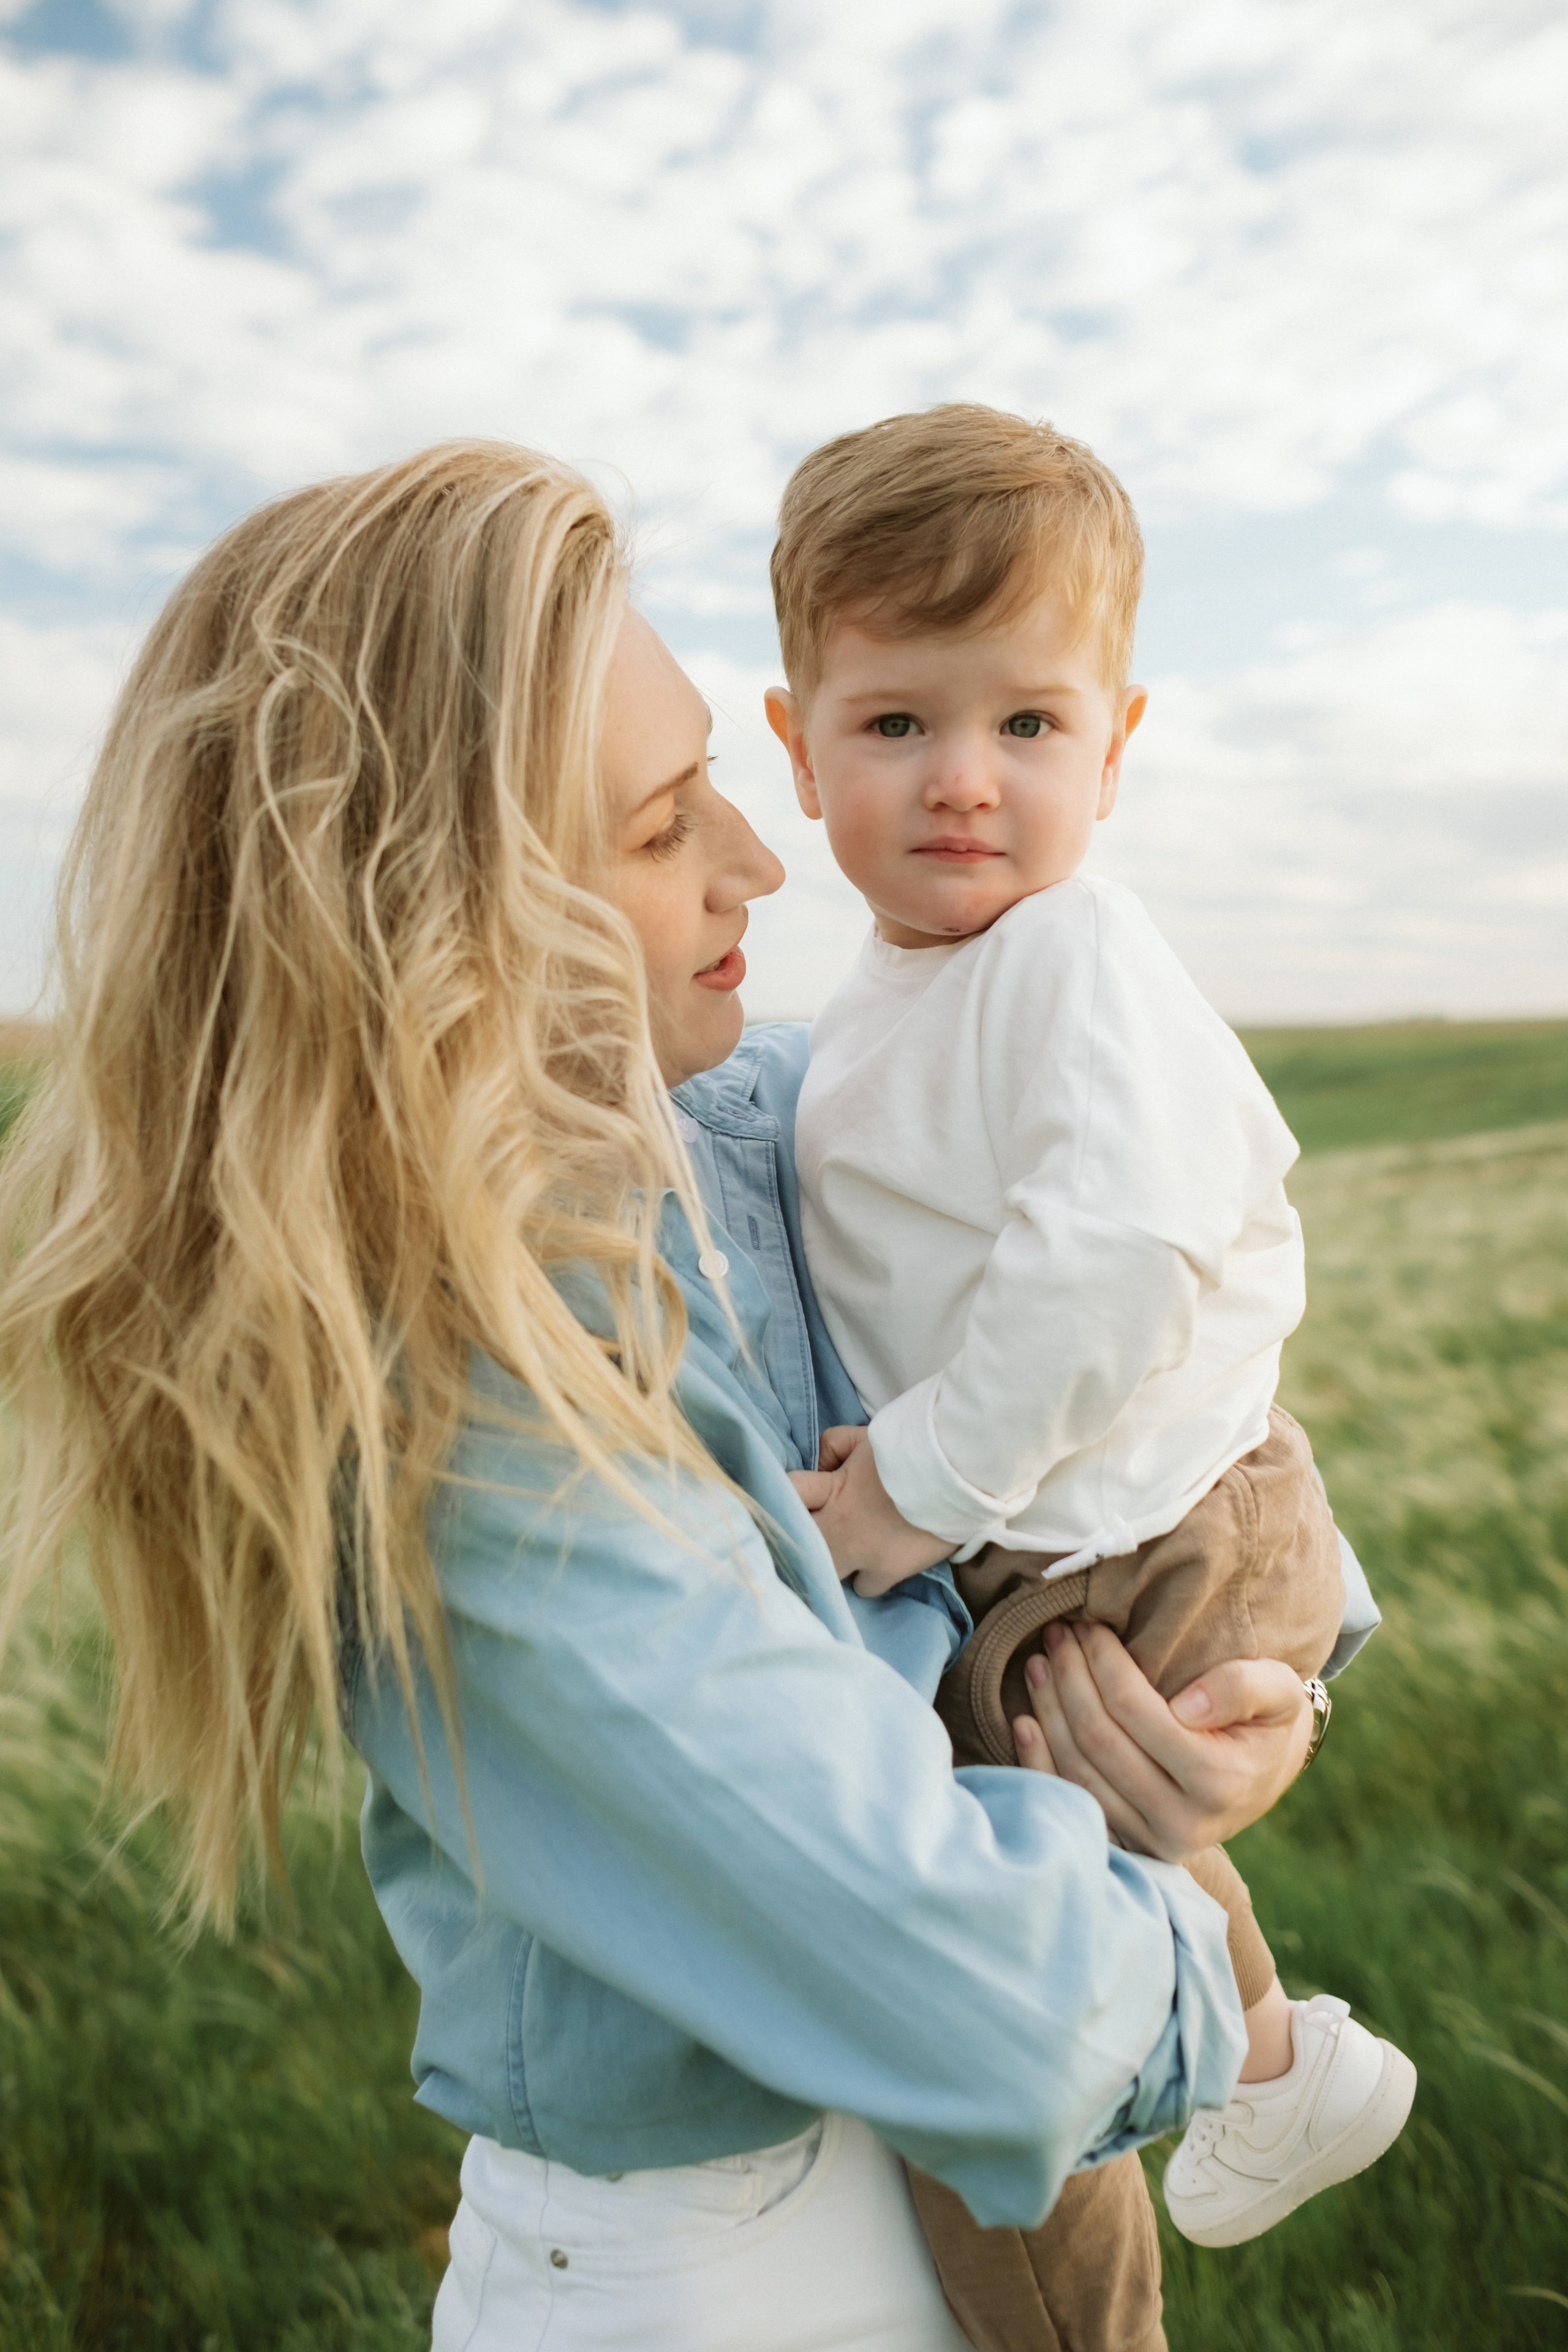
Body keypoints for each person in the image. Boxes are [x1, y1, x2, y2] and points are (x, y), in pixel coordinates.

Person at [0, 441, 1347, 2352]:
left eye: (720, 773)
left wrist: (1234, 1699)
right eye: (658, 828)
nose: (763, 858)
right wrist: (1203, 1950)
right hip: (731, 2273)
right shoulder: (456, 1410)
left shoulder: (769, 1119)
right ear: (442, 912)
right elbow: (1006, 2009)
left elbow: (1146, 1319)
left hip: (965, 2200)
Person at [763, 405, 1414, 2340]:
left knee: (1002, 1987)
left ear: (1115, 749)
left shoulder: (1069, 957)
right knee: (1032, 1923)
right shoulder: (890, 999)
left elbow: (1122, 1249)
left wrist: (916, 1487)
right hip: (1087, 1526)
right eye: (898, 722)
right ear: (797, 746)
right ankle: (1271, 2066)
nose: (964, 779)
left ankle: (1209, 2143)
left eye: (1029, 724)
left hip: (1141, 1527)